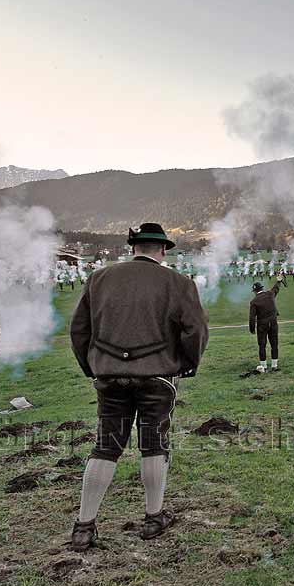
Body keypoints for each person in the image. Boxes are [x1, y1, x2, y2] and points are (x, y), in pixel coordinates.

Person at [67, 223, 209, 552]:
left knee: (106, 447)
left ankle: (84, 525)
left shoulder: (98, 279)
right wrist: (189, 363)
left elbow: (79, 331)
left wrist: (93, 366)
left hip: (109, 376)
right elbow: (195, 331)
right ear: (162, 250)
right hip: (157, 376)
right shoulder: (178, 282)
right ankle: (153, 517)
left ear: (134, 247)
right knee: (154, 445)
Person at [248, 280, 282, 373]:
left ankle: (264, 367)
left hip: (262, 325)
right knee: (274, 344)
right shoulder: (270, 294)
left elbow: (252, 317)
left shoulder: (254, 302)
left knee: (262, 346)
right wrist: (278, 281)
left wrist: (252, 328)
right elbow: (276, 288)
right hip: (273, 323)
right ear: (262, 288)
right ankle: (274, 366)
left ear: (255, 291)